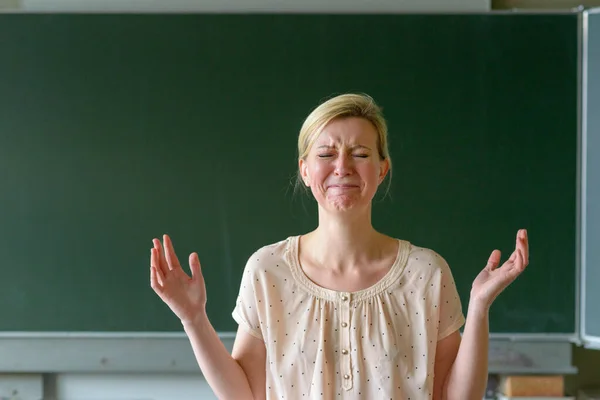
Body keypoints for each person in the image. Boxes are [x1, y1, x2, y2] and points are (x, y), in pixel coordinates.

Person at [149, 93, 529, 400]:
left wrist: (479, 307)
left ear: (382, 169)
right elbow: (244, 395)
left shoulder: (425, 273)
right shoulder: (267, 270)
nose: (343, 167)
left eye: (361, 154)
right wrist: (193, 319)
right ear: (304, 169)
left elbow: (455, 396)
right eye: (326, 154)